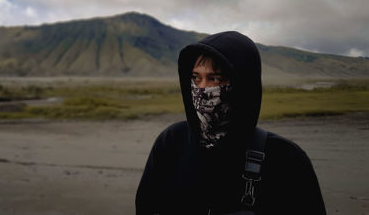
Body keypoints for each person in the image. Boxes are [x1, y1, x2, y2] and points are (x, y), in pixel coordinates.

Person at [135, 31, 326, 214]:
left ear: (242, 85)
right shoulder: (171, 142)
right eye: (196, 78)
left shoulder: (286, 159)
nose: (202, 89)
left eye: (214, 79)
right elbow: (146, 207)